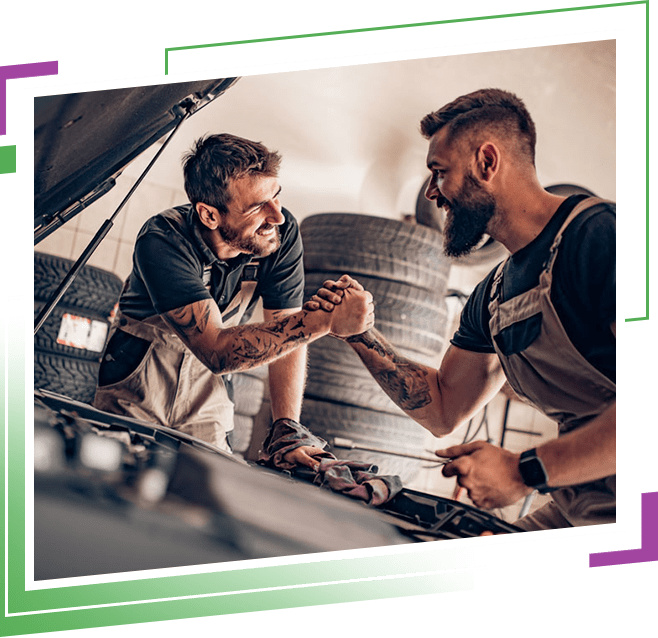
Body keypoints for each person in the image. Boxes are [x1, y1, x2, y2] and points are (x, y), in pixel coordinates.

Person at [309, 89, 616, 530]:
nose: (432, 193)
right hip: (582, 502)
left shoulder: (602, 236)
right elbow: (443, 409)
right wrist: (360, 334)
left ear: (487, 162)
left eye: (439, 172)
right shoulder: (491, 297)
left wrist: (525, 471)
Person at [93, 133, 374, 468]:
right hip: (138, 387)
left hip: (208, 396)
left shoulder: (279, 236)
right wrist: (325, 321)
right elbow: (216, 349)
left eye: (276, 197)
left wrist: (288, 429)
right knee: (113, 482)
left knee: (207, 492)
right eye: (258, 207)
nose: (277, 216)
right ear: (209, 215)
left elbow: (287, 330)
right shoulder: (163, 239)